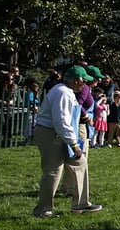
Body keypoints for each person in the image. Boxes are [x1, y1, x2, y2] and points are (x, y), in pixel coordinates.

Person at [32, 65, 103, 217]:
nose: (85, 83)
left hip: (61, 133)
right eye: (83, 80)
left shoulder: (67, 91)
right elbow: (61, 121)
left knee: (80, 163)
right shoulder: (62, 93)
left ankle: (81, 203)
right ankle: (43, 210)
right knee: (53, 171)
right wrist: (74, 143)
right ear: (76, 80)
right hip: (51, 134)